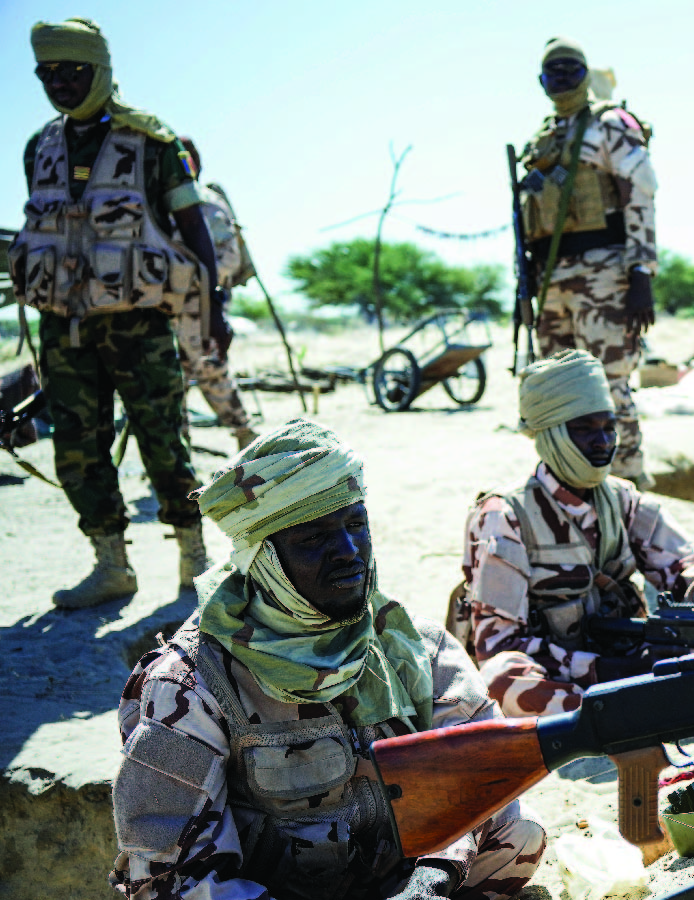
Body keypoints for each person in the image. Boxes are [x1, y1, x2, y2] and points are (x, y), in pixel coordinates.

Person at [111, 419, 543, 900]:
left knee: (517, 835)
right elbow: (166, 874)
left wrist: (434, 876)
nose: (348, 552)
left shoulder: (409, 644)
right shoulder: (191, 684)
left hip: (400, 882)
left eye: (356, 525)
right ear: (264, 557)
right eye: (313, 539)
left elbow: (485, 775)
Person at [14, 18, 220, 608]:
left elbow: (194, 229)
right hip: (64, 325)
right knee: (77, 447)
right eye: (46, 74)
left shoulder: (154, 143)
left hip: (138, 322)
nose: (59, 84)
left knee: (164, 441)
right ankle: (111, 566)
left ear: (99, 71)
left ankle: (193, 559)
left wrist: (213, 309)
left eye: (72, 71)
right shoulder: (39, 148)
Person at [462, 350, 694, 717]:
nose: (604, 442)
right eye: (584, 429)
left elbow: (683, 564)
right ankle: (607, 710)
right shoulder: (506, 515)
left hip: (624, 658)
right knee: (501, 680)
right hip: (560, 673)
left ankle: (619, 704)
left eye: (609, 427)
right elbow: (497, 645)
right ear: (552, 434)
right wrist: (606, 671)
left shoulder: (622, 499)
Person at [520, 36, 657, 488]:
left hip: (604, 273)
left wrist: (641, 272)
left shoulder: (609, 124)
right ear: (541, 82)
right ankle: (570, 489)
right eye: (551, 71)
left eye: (570, 69)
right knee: (558, 393)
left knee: (610, 386)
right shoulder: (542, 137)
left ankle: (629, 490)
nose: (561, 78)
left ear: (585, 73)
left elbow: (642, 192)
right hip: (550, 278)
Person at [178, 136, 258, 450]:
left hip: (199, 311)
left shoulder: (206, 200)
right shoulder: (153, 203)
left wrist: (198, 285)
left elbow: (227, 257)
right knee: (170, 388)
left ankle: (245, 435)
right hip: (163, 313)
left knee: (213, 375)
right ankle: (176, 458)